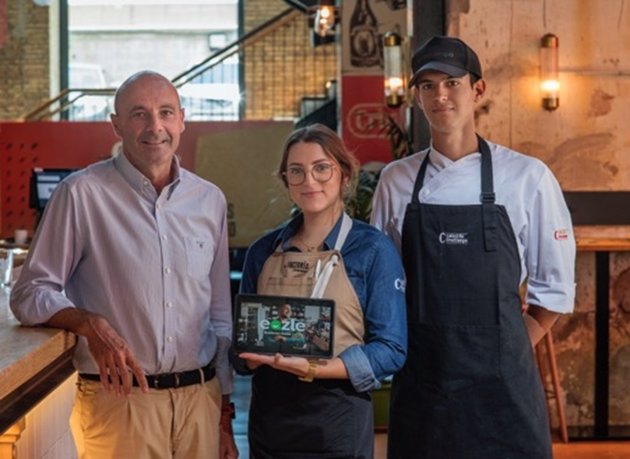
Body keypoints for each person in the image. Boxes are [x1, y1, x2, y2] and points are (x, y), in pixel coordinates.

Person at [10, 71, 239, 459]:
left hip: (200, 401)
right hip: (119, 402)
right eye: (138, 114)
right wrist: (86, 322)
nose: (155, 127)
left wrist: (224, 413)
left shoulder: (209, 200)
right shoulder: (80, 195)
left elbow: (218, 314)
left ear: (182, 119)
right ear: (115, 124)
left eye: (166, 112)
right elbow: (30, 293)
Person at [370, 36, 576, 458]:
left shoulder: (527, 177)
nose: (439, 95)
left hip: (503, 388)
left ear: (477, 89)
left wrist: (508, 349)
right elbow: (384, 284)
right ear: (417, 96)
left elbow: (554, 286)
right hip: (424, 380)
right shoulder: (396, 180)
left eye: (451, 83)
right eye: (427, 86)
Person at [236, 123, 407, 459]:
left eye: (321, 168)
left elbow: (391, 349)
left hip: (338, 421)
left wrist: (314, 368)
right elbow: (238, 348)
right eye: (296, 171)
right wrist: (250, 357)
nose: (309, 181)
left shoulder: (372, 250)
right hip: (271, 425)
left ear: (344, 175)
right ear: (286, 182)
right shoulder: (262, 251)